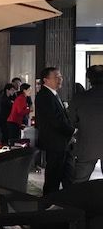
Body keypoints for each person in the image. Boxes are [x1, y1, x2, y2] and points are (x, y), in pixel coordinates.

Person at [35, 67, 76, 195]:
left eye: (60, 76)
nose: (60, 79)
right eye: (56, 77)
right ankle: (48, 203)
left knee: (67, 175)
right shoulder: (44, 96)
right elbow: (55, 120)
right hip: (54, 143)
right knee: (53, 177)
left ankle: (68, 201)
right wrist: (73, 131)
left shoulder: (53, 94)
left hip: (63, 142)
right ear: (45, 80)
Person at [68, 65, 103, 183]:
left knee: (80, 183)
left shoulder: (80, 98)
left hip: (86, 145)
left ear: (89, 79)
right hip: (87, 145)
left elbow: (71, 121)